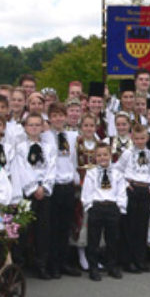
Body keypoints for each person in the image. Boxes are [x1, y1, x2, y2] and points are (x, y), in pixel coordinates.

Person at [12, 113, 56, 279]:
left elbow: (51, 168)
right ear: (25, 127)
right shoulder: (21, 148)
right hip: (28, 193)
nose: (34, 128)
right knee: (23, 229)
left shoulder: (49, 148)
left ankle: (41, 264)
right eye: (31, 125)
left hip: (44, 193)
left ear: (43, 127)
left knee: (43, 230)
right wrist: (33, 188)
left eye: (38, 125)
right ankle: (19, 265)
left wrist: (44, 187)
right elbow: (22, 169)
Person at [43, 103, 81, 278]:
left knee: (66, 226)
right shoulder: (45, 137)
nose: (58, 119)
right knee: (53, 226)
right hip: (54, 186)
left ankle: (64, 262)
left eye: (61, 115)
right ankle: (53, 264)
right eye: (55, 115)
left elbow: (73, 160)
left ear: (66, 117)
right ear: (49, 118)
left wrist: (75, 179)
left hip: (68, 184)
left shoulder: (72, 136)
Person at [116, 124, 150, 273]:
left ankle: (140, 260)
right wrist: (126, 184)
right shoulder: (127, 154)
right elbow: (117, 169)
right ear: (132, 138)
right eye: (137, 138)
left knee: (142, 226)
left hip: (145, 190)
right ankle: (128, 261)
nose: (140, 141)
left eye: (143, 138)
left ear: (147, 138)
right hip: (132, 189)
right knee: (130, 226)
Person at [81, 143, 126, 281]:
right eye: (99, 155)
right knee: (93, 239)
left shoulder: (117, 173)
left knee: (112, 239)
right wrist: (89, 206)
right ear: (95, 157)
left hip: (112, 207)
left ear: (110, 155)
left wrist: (120, 207)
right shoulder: (91, 173)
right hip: (97, 207)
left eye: (105, 154)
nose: (102, 158)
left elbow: (121, 191)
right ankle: (93, 268)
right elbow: (87, 192)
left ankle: (112, 266)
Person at [71, 113, 100, 271]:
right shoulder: (77, 143)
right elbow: (72, 163)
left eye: (91, 126)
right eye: (86, 126)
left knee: (94, 221)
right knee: (81, 219)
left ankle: (93, 253)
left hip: (96, 185)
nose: (89, 129)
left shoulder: (99, 143)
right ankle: (81, 253)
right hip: (81, 184)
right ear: (81, 127)